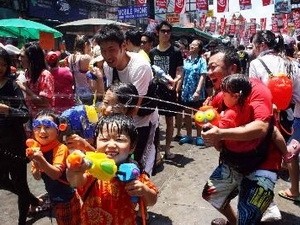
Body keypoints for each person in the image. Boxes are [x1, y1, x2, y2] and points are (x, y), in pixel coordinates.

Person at [201, 45, 282, 225]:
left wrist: (221, 132)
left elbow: (261, 127)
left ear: (233, 69)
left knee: (248, 216)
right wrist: (206, 125)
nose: (208, 72)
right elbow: (208, 116)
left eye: (213, 67)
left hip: (264, 162)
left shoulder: (258, 90)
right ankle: (233, 221)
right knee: (211, 194)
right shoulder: (221, 95)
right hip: (234, 160)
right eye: (208, 67)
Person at [66, 114, 158, 225]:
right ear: (95, 143)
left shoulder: (135, 174)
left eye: (119, 139)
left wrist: (144, 190)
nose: (111, 145)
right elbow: (75, 181)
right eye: (104, 139)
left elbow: (152, 201)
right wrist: (74, 170)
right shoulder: (91, 170)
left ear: (132, 147)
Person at [93, 24, 159, 175]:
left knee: (141, 165)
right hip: (122, 120)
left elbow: (134, 107)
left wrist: (112, 125)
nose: (107, 55)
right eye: (103, 50)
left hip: (143, 121)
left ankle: (144, 193)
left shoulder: (140, 67)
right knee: (119, 164)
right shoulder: (109, 66)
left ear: (123, 46)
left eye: (111, 49)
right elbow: (112, 95)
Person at [249, 30, 300, 203]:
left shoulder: (256, 63)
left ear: (262, 45)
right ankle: (294, 188)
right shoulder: (291, 63)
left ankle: (265, 203)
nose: (254, 50)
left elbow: (254, 95)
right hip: (291, 117)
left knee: (264, 159)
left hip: (267, 117)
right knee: (290, 153)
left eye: (254, 46)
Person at [0, 47, 41, 225]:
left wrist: (7, 109)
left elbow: (24, 114)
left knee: (20, 183)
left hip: (14, 142)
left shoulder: (13, 86)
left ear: (8, 66)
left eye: (3, 64)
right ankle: (32, 199)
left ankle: (22, 221)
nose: (0, 68)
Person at [26, 109, 81, 225]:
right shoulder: (38, 148)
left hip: (66, 198)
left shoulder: (61, 148)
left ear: (57, 130)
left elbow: (56, 174)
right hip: (54, 197)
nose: (42, 131)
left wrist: (41, 159)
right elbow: (36, 177)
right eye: (37, 126)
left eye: (47, 126)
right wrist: (36, 162)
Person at [149, 20, 183, 159]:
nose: (166, 34)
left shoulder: (175, 51)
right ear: (157, 33)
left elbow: (179, 71)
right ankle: (155, 149)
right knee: (154, 121)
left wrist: (176, 81)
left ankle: (168, 149)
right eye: (163, 31)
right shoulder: (152, 52)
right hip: (155, 90)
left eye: (168, 31)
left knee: (170, 120)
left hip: (169, 90)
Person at [178, 39, 207, 146]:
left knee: (198, 115)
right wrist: (178, 89)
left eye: (195, 45)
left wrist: (198, 91)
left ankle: (199, 136)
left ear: (199, 48)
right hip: (186, 92)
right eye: (191, 44)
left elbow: (203, 76)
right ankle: (189, 135)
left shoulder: (202, 61)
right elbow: (182, 76)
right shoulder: (186, 60)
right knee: (187, 115)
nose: (192, 46)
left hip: (196, 93)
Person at [16, 42, 54, 118]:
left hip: (42, 120)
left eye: (22, 56)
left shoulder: (45, 75)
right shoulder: (27, 73)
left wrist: (24, 88)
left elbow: (44, 103)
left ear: (31, 58)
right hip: (30, 117)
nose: (19, 59)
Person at [67, 35, 93, 105]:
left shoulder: (70, 57)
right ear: (85, 44)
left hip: (77, 92)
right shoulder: (86, 58)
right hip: (88, 93)